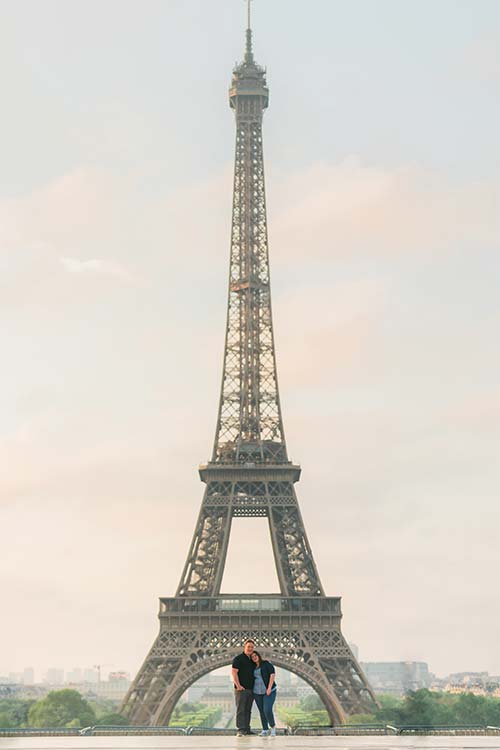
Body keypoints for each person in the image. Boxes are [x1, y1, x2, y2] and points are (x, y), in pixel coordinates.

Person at [231, 638, 256, 737]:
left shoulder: (253, 660)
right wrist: (238, 686)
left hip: (251, 689)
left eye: (252, 647)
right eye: (248, 646)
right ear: (244, 647)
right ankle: (241, 729)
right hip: (241, 689)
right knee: (241, 709)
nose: (250, 648)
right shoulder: (238, 659)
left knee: (248, 710)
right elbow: (234, 673)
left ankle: (247, 728)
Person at [251, 650, 277, 737]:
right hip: (257, 692)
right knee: (262, 711)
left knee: (267, 710)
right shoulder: (252, 667)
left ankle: (272, 727)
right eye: (252, 657)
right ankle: (265, 729)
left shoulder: (266, 664)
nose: (254, 657)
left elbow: (272, 674)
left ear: (258, 655)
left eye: (255, 655)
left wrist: (269, 688)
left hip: (268, 691)